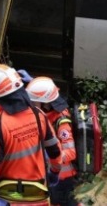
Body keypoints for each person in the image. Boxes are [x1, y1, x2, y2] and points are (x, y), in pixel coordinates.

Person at [0, 64, 63, 206]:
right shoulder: (38, 115)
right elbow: (55, 151)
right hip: (37, 196)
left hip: (8, 198)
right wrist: (54, 172)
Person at [26, 77, 78, 206]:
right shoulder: (47, 115)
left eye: (34, 102)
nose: (31, 105)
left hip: (62, 178)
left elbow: (71, 152)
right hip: (52, 176)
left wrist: (48, 155)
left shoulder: (62, 123)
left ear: (45, 103)